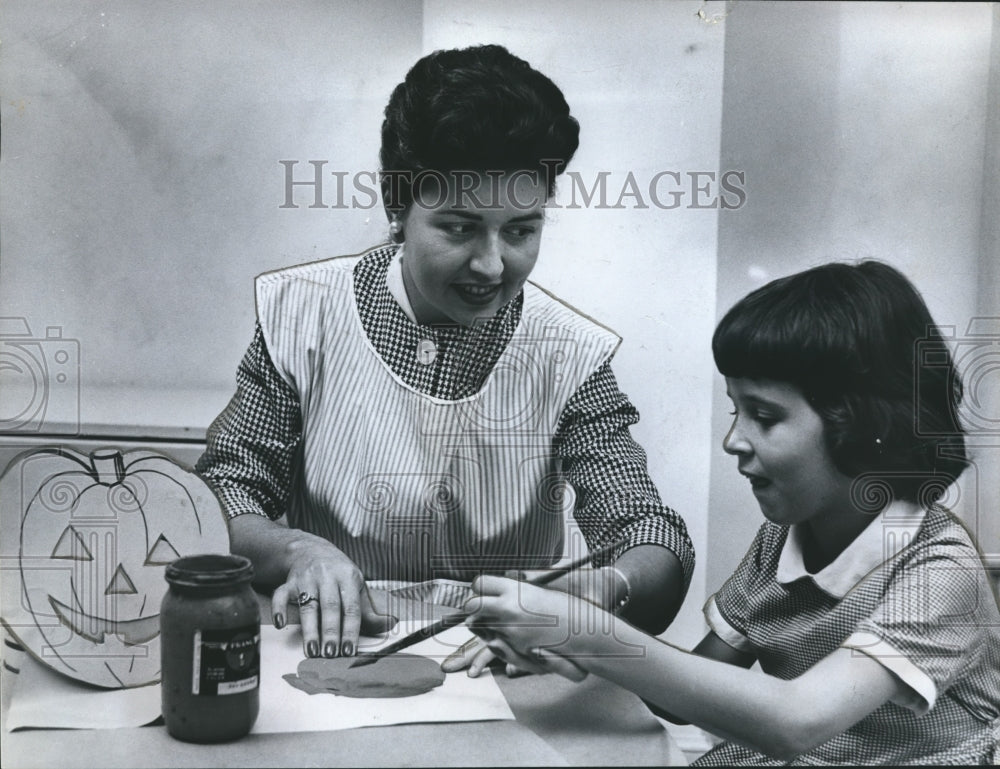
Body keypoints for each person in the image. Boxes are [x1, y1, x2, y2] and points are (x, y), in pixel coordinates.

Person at [195, 44, 694, 674]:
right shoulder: (303, 316)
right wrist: (300, 550)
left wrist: (598, 594)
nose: (491, 265)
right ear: (397, 208)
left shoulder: (569, 352)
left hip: (505, 668)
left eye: (521, 230)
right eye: (459, 228)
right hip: (335, 659)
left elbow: (649, 531)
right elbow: (222, 493)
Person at [465, 260, 1000, 764]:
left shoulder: (940, 571)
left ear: (865, 424)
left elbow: (797, 721)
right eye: (734, 409)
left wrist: (590, 636)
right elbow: (687, 694)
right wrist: (592, 616)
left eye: (763, 416)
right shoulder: (782, 538)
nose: (731, 440)